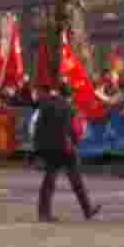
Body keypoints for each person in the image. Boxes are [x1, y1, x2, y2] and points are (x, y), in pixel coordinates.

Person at [31, 84, 101, 222]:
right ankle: (87, 209)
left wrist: (38, 148)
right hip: (65, 148)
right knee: (76, 180)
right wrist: (75, 142)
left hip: (48, 148)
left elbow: (37, 126)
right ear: (70, 96)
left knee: (49, 181)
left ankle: (43, 212)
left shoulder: (46, 106)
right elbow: (76, 130)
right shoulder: (71, 108)